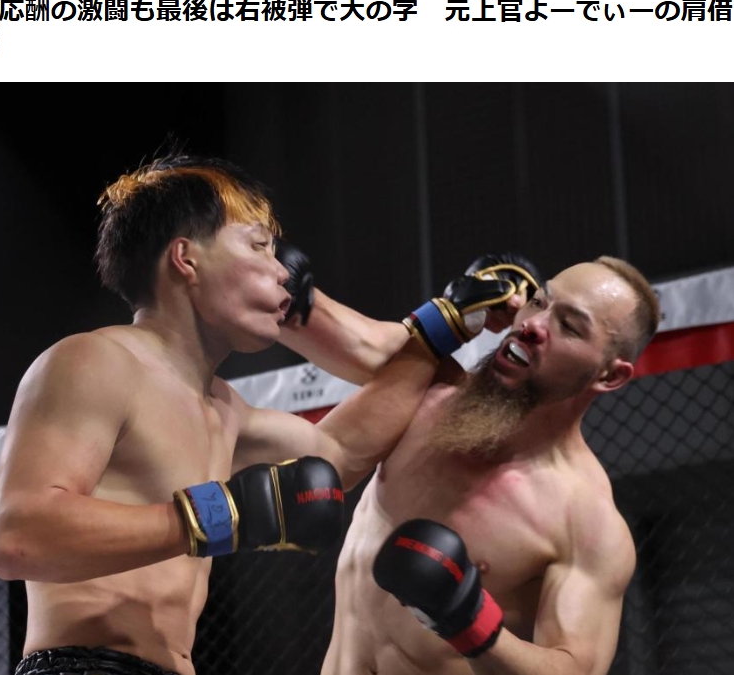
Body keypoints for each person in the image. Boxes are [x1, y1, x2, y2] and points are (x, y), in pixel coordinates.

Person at [0, 154, 517, 675]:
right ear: (186, 258)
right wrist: (217, 514)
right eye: (259, 245)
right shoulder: (94, 361)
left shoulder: (225, 410)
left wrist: (442, 329)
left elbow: (338, 453)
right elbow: (18, 537)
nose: (282, 271)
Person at [279, 253, 659, 675]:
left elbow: (575, 668)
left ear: (610, 376)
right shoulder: (430, 394)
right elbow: (325, 323)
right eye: (539, 301)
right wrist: (266, 270)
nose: (533, 325)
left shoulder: (584, 521)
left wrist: (469, 621)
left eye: (568, 326)